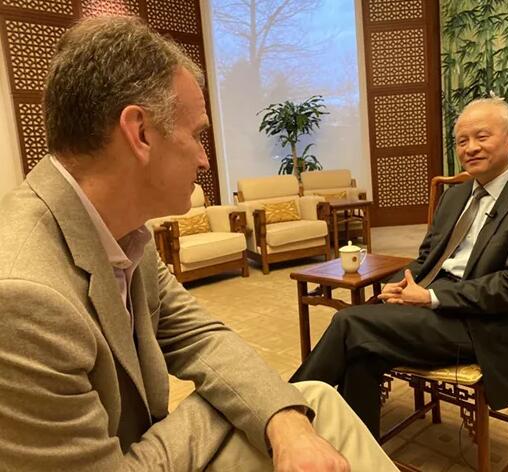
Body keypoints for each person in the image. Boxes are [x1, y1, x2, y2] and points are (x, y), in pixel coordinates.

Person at [0, 16, 399, 472]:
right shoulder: (24, 298)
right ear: (140, 133)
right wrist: (223, 408)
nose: (206, 159)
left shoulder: (125, 231)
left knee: (314, 402)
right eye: (198, 135)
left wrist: (282, 420)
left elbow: (198, 335)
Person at [291, 97, 508, 438]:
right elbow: (425, 258)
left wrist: (431, 297)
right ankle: (360, 453)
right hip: (433, 308)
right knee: (362, 351)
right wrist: (399, 283)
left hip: (485, 326)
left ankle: (285, 417)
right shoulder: (455, 196)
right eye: (462, 141)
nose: (470, 148)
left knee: (348, 322)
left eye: (482, 137)